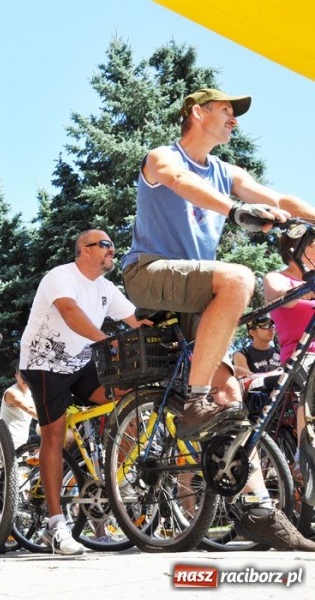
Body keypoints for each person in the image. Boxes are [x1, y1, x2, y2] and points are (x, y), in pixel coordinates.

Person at [121, 89, 315, 551]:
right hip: (150, 272)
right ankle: (195, 398)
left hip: (198, 291)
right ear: (198, 112)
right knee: (237, 277)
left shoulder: (227, 172)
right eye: (227, 111)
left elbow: (279, 197)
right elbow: (179, 182)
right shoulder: (163, 157)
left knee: (230, 398)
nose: (234, 120)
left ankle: (257, 511)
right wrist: (234, 209)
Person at [20, 229, 146, 555]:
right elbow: (70, 312)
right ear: (84, 250)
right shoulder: (61, 276)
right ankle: (55, 525)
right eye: (104, 245)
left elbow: (136, 320)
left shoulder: (106, 288)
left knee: (129, 399)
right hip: (44, 363)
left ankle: (111, 478)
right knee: (54, 435)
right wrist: (105, 340)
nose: (111, 250)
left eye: (112, 246)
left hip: (81, 363)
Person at [263, 233, 315, 476]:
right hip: (302, 355)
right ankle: (305, 459)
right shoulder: (276, 278)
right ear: (295, 249)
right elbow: (282, 297)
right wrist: (307, 288)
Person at [0, 370, 37, 447]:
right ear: (16, 376)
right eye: (23, 375)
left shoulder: (28, 393)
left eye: (29, 375)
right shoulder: (12, 392)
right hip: (9, 443)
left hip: (21, 442)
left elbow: (36, 411)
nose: (26, 378)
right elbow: (29, 410)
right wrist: (51, 421)